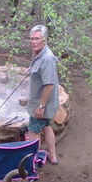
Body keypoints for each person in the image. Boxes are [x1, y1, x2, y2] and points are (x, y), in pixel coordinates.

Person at [26, 24, 59, 164]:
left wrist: (40, 106)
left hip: (41, 105)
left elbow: (49, 85)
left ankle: (32, 162)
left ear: (45, 40)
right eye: (32, 39)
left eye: (37, 39)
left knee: (34, 132)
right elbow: (37, 65)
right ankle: (53, 156)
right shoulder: (39, 52)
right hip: (46, 104)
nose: (33, 42)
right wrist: (30, 68)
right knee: (46, 126)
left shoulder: (47, 59)